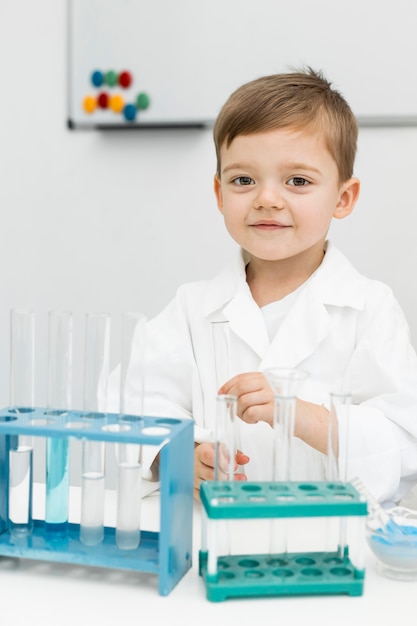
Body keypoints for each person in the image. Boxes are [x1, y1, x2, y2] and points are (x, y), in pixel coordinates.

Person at [116, 67, 417, 505]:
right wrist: (180, 457)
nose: (267, 199)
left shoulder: (369, 308)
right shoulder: (191, 308)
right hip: (214, 536)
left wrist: (297, 411)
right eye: (243, 180)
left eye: (298, 181)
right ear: (220, 194)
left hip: (329, 540)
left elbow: (401, 442)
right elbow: (137, 407)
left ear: (343, 198)